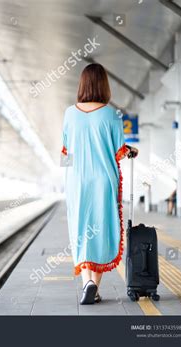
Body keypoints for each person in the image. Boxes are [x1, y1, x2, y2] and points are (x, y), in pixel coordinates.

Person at [61, 63, 138, 305]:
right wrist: (131, 151)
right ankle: (94, 284)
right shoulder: (111, 114)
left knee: (82, 230)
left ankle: (88, 283)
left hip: (77, 181)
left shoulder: (69, 113)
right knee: (102, 230)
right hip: (104, 181)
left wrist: (69, 180)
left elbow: (66, 154)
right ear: (104, 85)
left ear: (82, 84)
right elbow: (118, 151)